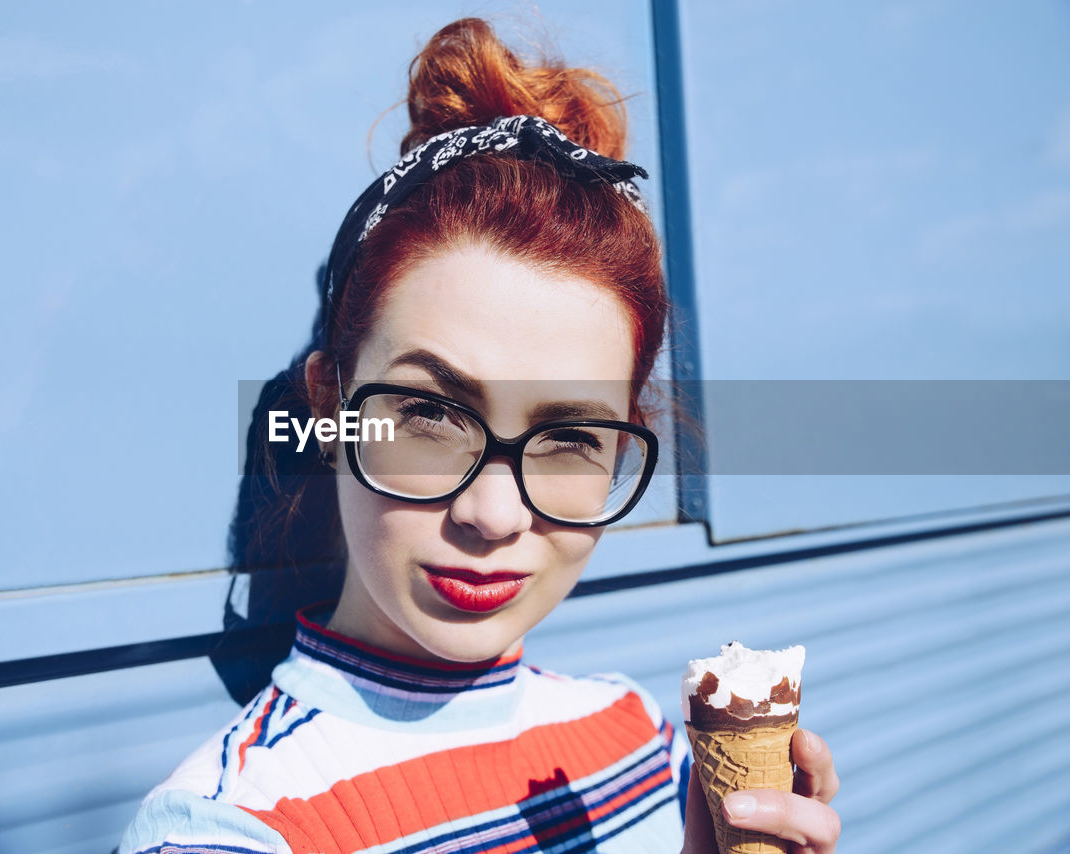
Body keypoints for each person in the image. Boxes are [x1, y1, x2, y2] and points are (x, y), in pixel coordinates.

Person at [120, 18, 840, 854]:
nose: (494, 515)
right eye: (430, 414)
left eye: (569, 436)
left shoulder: (642, 741)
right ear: (329, 407)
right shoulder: (234, 826)